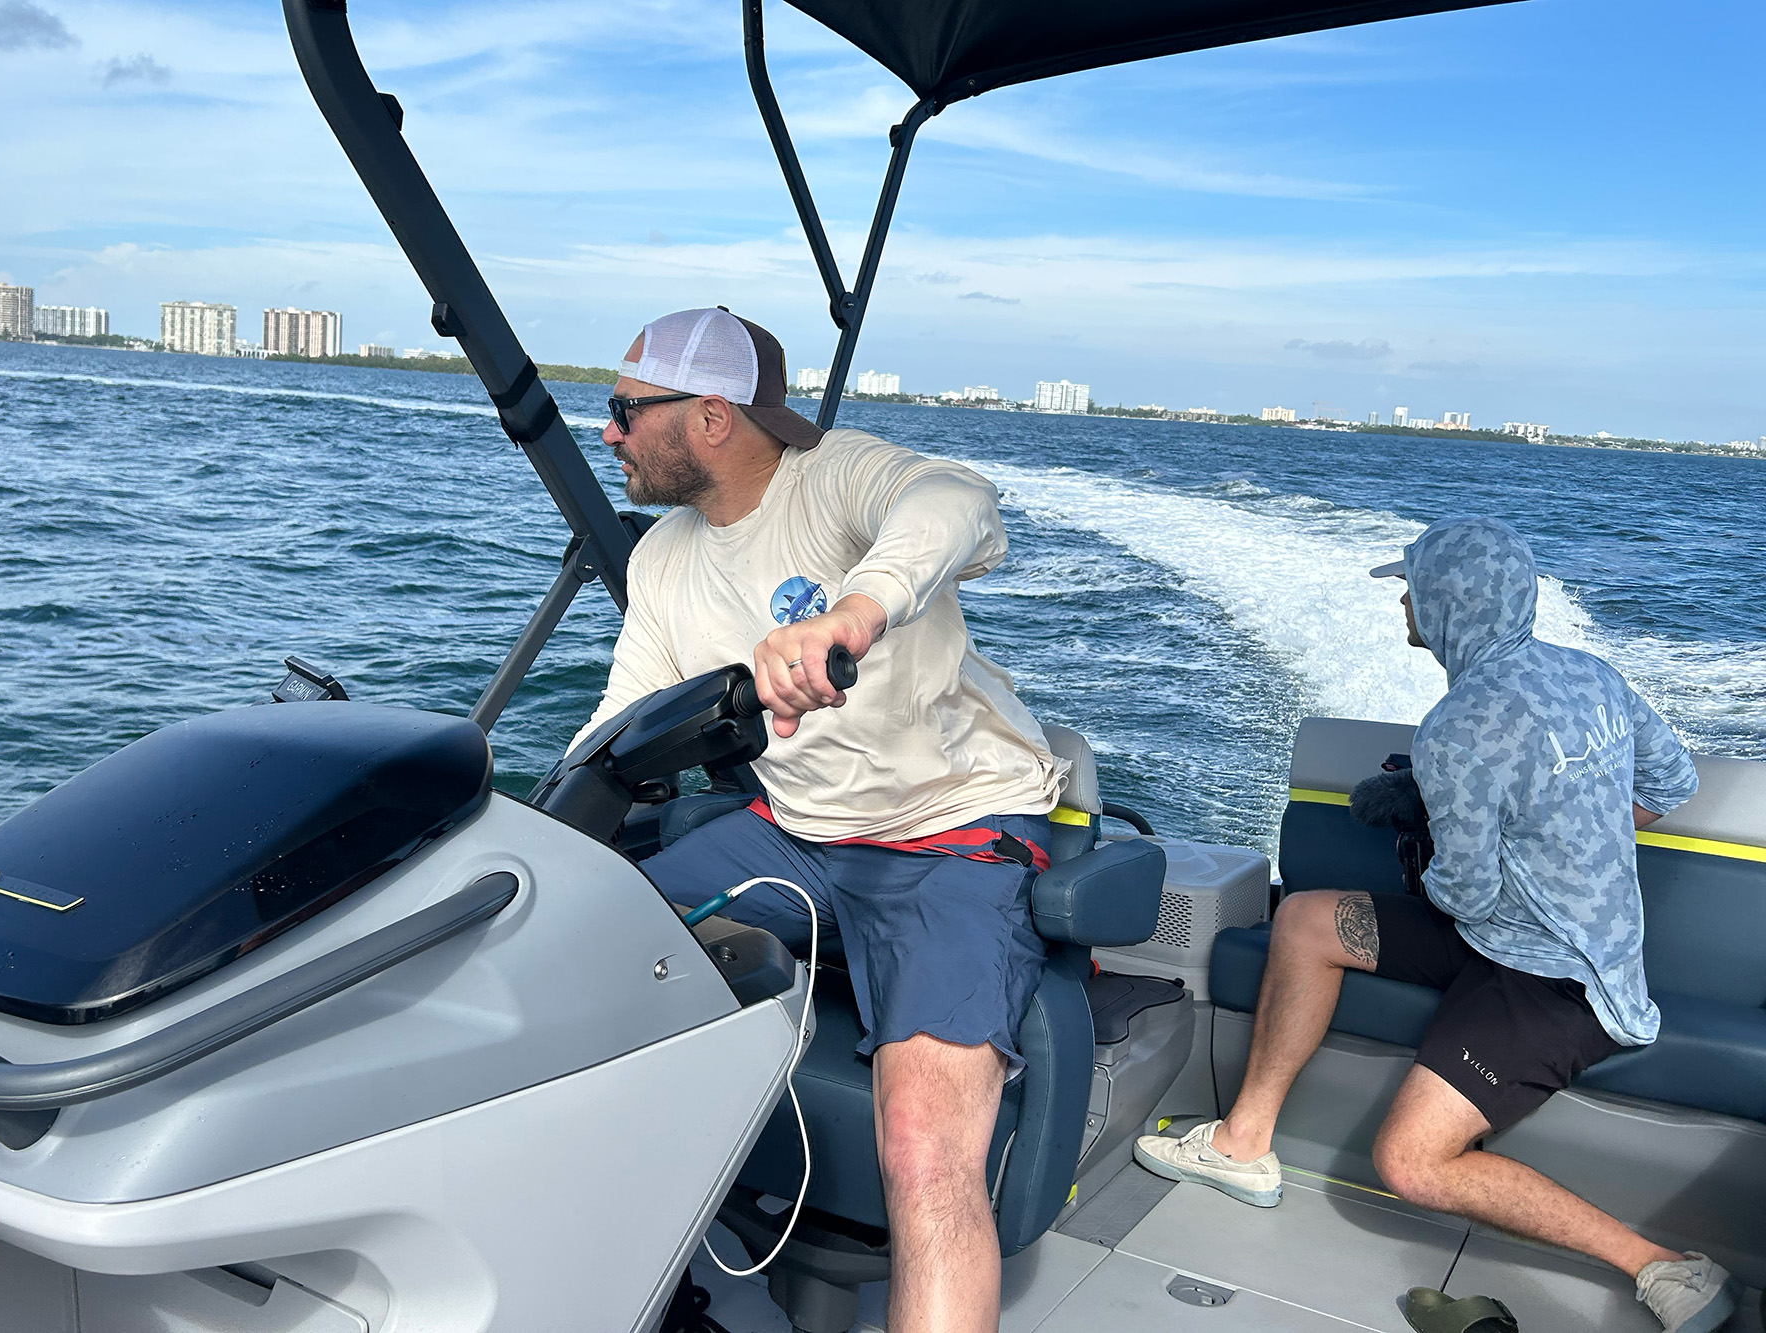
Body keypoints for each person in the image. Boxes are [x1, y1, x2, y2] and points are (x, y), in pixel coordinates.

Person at [574, 307, 1066, 1333]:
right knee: (575, 944)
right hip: (793, 831)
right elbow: (618, 723)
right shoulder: (664, 558)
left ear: (708, 417)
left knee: (923, 1149)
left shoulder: (834, 479)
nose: (606, 431)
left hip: (947, 836)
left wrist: (854, 612)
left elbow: (955, 500)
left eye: (623, 410)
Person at [1134, 516, 1736, 1333]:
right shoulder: (1593, 675)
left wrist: (1429, 819)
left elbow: (1465, 895)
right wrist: (1564, 839)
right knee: (1309, 921)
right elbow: (1671, 780)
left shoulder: (1457, 726)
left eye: (1413, 588)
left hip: (1556, 978)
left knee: (1410, 1162)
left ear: (1451, 603)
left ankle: (1666, 1270)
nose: (1405, 603)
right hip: (1517, 937)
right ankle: (1242, 1142)